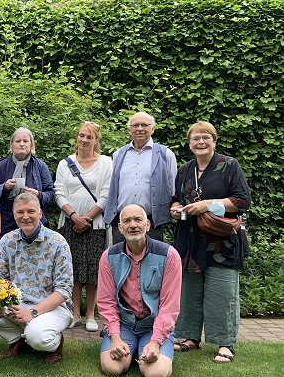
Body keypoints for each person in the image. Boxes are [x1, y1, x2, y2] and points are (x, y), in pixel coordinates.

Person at [170, 121, 251, 364]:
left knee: (221, 292)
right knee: (190, 291)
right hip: (189, 240)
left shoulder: (229, 165)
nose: (200, 142)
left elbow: (241, 200)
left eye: (205, 137)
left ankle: (225, 342)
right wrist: (175, 208)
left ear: (214, 141)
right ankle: (189, 338)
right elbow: (176, 197)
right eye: (195, 138)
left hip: (221, 242)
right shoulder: (184, 170)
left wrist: (207, 205)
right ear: (190, 143)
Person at [0, 193, 73, 363]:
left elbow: (64, 290)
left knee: (38, 337)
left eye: (31, 211)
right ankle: (19, 340)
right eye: (20, 212)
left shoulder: (58, 242)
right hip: (18, 302)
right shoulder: (7, 240)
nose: (26, 217)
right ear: (14, 215)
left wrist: (32, 313)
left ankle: (54, 343)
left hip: (53, 307)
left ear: (40, 213)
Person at [98, 205, 181, 377]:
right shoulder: (109, 256)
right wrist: (115, 337)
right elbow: (106, 302)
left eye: (138, 220)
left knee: (156, 375)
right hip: (124, 325)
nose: (133, 225)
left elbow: (169, 306)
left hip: (153, 326)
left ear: (148, 225)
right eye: (127, 221)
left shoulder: (169, 255)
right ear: (120, 228)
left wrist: (156, 341)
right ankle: (130, 347)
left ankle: (146, 347)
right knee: (112, 368)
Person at [54, 121, 113, 332]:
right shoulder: (65, 164)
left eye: (89, 137)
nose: (84, 140)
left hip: (95, 224)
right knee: (73, 268)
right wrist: (73, 216)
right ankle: (74, 313)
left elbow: (107, 194)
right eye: (81, 135)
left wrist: (86, 218)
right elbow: (59, 192)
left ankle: (90, 314)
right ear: (76, 137)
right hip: (70, 223)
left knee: (93, 269)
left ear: (96, 140)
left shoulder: (106, 163)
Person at [103, 112, 177, 243]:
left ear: (152, 129)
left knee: (152, 260)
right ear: (129, 130)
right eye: (135, 125)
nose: (140, 129)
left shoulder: (166, 154)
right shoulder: (118, 154)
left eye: (145, 125)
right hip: (122, 221)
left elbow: (173, 188)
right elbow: (113, 187)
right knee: (121, 259)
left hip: (151, 222)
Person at [0, 127, 55, 236]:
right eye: (18, 141)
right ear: (12, 145)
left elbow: (51, 194)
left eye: (25, 141)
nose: (22, 144)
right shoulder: (2, 166)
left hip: (33, 220)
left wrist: (38, 194)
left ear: (31, 145)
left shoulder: (40, 166)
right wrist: (4, 187)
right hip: (7, 220)